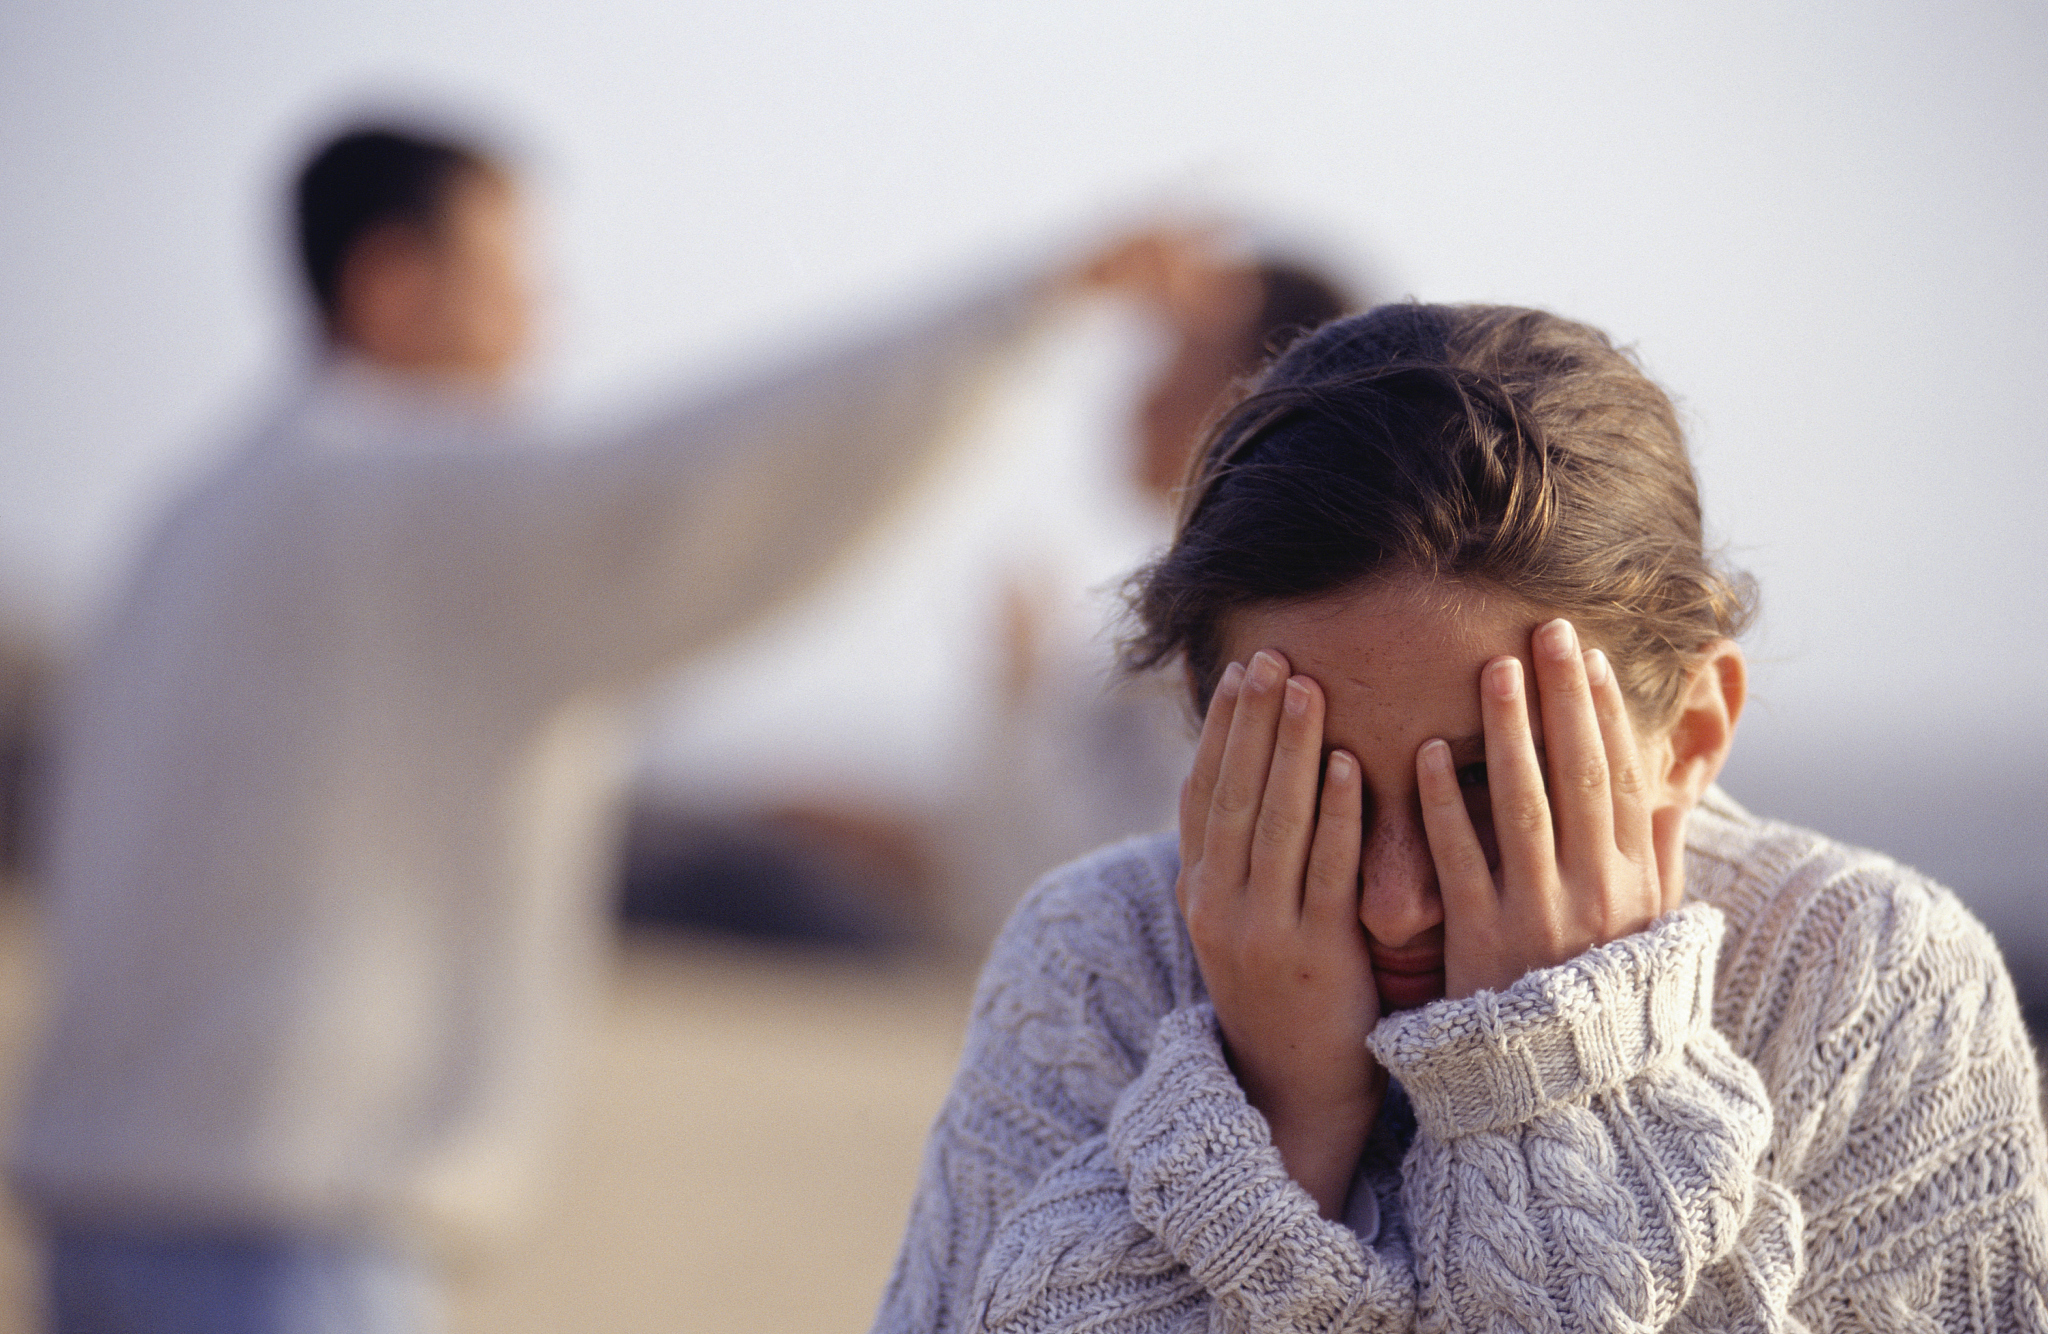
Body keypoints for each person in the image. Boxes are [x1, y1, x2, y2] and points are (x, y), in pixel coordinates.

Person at [5, 122, 1136, 1331]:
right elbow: (692, 487)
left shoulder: (199, 511)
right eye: (509, 282)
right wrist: (1013, 315)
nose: (538, 323)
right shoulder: (388, 497)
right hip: (275, 1244)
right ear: (393, 282)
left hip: (104, 1212)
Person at [873, 302, 2048, 1330]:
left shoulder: (1866, 978)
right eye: (1314, 786)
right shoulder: (1098, 960)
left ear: (1688, 734)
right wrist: (1272, 1115)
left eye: (1492, 786)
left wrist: (1556, 1088)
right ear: (1206, 730)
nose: (1392, 897)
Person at [938, 246, 1355, 948]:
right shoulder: (1182, 622)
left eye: (1182, 357)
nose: (1141, 394)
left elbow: (1093, 902)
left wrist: (1020, 692)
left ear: (1261, 399)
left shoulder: (1256, 641)